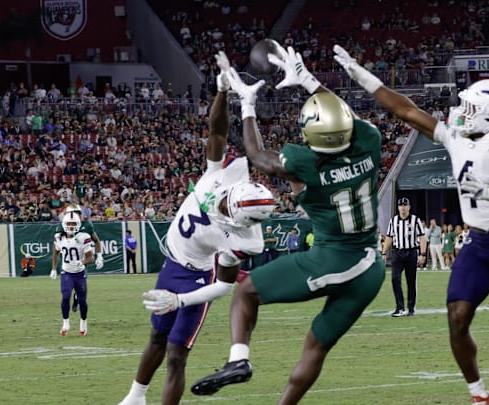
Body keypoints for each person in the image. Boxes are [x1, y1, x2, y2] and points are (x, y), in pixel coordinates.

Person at [334, 45, 489, 404]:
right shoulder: (456, 139)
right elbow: (406, 110)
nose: (461, 112)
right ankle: (478, 393)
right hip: (477, 243)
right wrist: (361, 76)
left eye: (470, 108)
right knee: (457, 317)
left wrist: (487, 193)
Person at [189, 45, 385, 404]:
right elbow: (343, 116)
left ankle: (238, 360)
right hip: (372, 265)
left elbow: (257, 156)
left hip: (336, 259)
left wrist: (247, 104)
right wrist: (309, 81)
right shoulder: (369, 142)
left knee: (246, 293)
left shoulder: (303, 163)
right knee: (315, 347)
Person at [117, 52, 276, 405]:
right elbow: (217, 129)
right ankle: (135, 397)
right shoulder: (224, 176)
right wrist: (222, 89)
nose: (220, 204)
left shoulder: (244, 239)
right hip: (171, 265)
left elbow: (222, 285)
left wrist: (180, 299)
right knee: (156, 339)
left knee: (176, 354)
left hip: (195, 279)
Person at [50, 211, 95, 336]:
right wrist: (54, 268)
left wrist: (82, 262)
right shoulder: (59, 237)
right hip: (66, 272)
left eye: (73, 223)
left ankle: (83, 322)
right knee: (65, 296)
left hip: (79, 273)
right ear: (64, 224)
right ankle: (66, 323)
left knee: (82, 300)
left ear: (78, 224)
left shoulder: (83, 237)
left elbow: (91, 258)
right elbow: (55, 253)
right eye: (68, 223)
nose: (70, 226)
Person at [382, 197, 427, 316]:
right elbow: (389, 237)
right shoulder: (394, 220)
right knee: (395, 279)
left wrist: (422, 254)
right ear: (398, 207)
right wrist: (384, 252)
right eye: (400, 205)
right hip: (397, 253)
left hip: (411, 252)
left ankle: (411, 308)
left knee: (410, 281)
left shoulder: (415, 220)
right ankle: (400, 307)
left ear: (409, 207)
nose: (402, 208)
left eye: (404, 205)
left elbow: (422, 237)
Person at [54, 204, 104, 270]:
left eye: (77, 213)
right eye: (73, 213)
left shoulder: (86, 224)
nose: (75, 216)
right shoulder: (63, 225)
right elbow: (57, 243)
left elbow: (96, 240)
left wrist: (99, 256)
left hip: (82, 254)